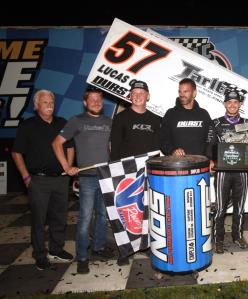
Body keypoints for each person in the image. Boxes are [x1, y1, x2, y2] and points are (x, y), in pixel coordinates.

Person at [52, 87, 114, 274]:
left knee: (102, 217)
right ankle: (82, 257)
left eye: (99, 99)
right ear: (85, 103)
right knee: (85, 218)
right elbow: (57, 143)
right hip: (87, 179)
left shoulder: (109, 122)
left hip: (105, 177)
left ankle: (99, 248)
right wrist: (66, 167)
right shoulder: (77, 121)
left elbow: (112, 148)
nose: (96, 102)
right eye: (92, 99)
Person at [12, 89, 74, 270]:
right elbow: (16, 153)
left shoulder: (62, 123)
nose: (49, 106)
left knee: (59, 218)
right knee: (39, 220)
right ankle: (39, 254)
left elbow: (70, 147)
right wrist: (25, 177)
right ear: (36, 105)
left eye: (52, 103)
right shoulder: (27, 125)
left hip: (60, 180)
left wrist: (68, 168)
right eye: (45, 102)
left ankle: (56, 249)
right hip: (38, 181)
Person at [110, 80, 161, 265]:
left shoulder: (156, 119)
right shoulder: (121, 118)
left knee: (147, 211)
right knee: (126, 212)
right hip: (126, 175)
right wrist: (115, 171)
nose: (138, 95)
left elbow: (159, 148)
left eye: (142, 92)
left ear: (148, 96)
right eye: (134, 92)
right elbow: (114, 147)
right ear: (129, 96)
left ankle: (145, 246)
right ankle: (124, 250)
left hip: (149, 173)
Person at [207, 90, 248, 254]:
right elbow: (210, 146)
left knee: (239, 207)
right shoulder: (216, 123)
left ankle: (237, 236)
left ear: (240, 104)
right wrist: (212, 161)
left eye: (236, 102)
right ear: (225, 104)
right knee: (220, 208)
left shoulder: (247, 123)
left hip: (241, 171)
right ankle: (218, 240)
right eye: (229, 102)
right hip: (222, 172)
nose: (232, 105)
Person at [160, 78, 212, 156]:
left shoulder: (204, 114)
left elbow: (211, 139)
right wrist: (172, 151)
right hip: (177, 165)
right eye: (180, 91)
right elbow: (162, 139)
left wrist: (210, 158)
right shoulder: (170, 114)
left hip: (200, 164)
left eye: (185, 91)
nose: (182, 95)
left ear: (194, 93)